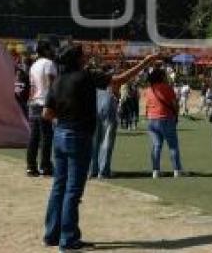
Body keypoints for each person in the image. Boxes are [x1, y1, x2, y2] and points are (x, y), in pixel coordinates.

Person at [42, 47, 152, 250]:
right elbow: (118, 80)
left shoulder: (57, 80)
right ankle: (68, 239)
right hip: (78, 136)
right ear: (78, 59)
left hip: (60, 135)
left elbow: (47, 114)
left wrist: (65, 118)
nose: (86, 57)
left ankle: (51, 234)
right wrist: (145, 63)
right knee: (73, 191)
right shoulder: (85, 77)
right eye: (83, 55)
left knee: (59, 187)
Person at [146, 68, 185, 178]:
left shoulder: (149, 90)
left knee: (156, 146)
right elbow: (174, 104)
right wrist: (176, 115)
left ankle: (155, 170)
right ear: (162, 77)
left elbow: (147, 105)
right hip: (167, 118)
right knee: (173, 146)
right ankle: (177, 170)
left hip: (152, 119)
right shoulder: (168, 88)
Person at [27, 41, 58, 177]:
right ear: (45, 50)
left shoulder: (33, 65)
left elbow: (32, 86)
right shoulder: (49, 64)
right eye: (50, 48)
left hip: (34, 103)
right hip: (45, 103)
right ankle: (45, 166)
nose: (53, 51)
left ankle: (31, 167)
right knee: (46, 137)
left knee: (34, 138)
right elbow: (53, 86)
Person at [89, 84, 119, 179]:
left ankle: (92, 170)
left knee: (93, 140)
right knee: (106, 140)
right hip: (107, 99)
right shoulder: (110, 77)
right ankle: (103, 170)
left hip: (92, 100)